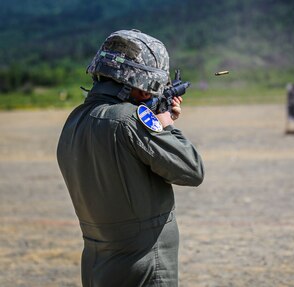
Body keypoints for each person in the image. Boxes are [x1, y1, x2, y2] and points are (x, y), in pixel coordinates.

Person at [56, 29, 204, 287]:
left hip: (97, 265)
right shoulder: (129, 121)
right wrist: (166, 125)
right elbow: (191, 169)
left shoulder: (75, 120)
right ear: (144, 90)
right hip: (144, 267)